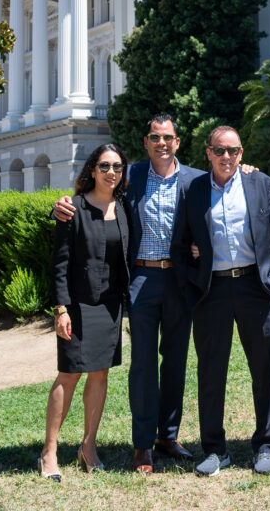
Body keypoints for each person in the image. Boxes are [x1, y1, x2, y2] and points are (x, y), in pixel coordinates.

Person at [53, 114, 204, 474]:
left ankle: (168, 436)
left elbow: (227, 189)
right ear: (146, 142)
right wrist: (62, 204)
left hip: (180, 282)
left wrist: (247, 171)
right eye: (155, 137)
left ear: (178, 142)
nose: (162, 143)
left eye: (168, 137)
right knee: (143, 366)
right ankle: (142, 446)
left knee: (176, 362)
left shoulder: (196, 180)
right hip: (141, 280)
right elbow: (92, 198)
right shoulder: (130, 175)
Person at [171, 125, 270, 477]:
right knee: (210, 372)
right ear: (208, 153)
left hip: (257, 287)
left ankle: (265, 446)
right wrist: (192, 279)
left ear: (241, 153)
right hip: (213, 292)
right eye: (220, 151)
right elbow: (181, 245)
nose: (227, 157)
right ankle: (214, 449)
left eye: (233, 151)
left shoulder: (260, 184)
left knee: (264, 370)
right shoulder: (192, 190)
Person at [39, 143, 129, 480]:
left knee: (101, 374)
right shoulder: (72, 209)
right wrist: (60, 308)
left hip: (110, 306)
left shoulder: (125, 208)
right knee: (69, 374)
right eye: (104, 165)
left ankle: (88, 446)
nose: (111, 172)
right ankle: (49, 452)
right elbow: (59, 264)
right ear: (92, 169)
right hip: (76, 306)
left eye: (117, 167)